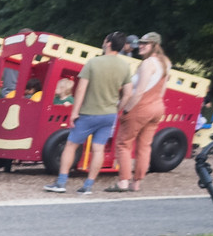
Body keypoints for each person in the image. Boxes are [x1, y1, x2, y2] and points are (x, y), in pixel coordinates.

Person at [44, 32, 133, 193]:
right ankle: (88, 186)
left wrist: (74, 112)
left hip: (88, 113)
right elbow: (127, 93)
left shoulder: (93, 63)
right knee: (98, 149)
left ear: (109, 44)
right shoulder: (125, 66)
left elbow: (81, 89)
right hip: (109, 115)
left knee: (71, 145)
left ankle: (61, 183)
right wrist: (118, 109)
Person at [110, 30, 168, 193]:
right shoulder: (164, 63)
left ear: (154, 46)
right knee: (144, 147)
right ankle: (136, 184)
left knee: (123, 144)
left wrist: (126, 109)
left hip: (141, 106)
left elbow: (139, 91)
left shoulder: (148, 63)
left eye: (145, 43)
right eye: (140, 43)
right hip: (157, 106)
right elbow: (162, 90)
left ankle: (123, 182)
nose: (140, 46)